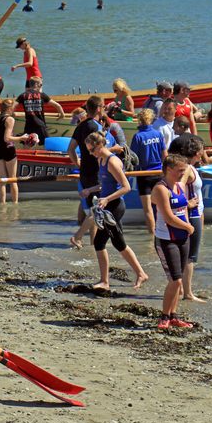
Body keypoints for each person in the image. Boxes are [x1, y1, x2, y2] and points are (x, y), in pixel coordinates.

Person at [82, 132, 149, 291]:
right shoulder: (101, 160)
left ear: (99, 145)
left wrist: (106, 199)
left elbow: (126, 187)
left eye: (92, 150)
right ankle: (140, 273)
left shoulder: (113, 161)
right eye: (89, 151)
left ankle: (106, 281)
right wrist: (90, 190)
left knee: (100, 242)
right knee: (117, 243)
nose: (91, 154)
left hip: (115, 206)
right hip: (107, 206)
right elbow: (105, 185)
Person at [152, 154, 197, 330]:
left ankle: (174, 315)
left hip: (182, 238)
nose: (182, 174)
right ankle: (164, 316)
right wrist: (188, 227)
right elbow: (169, 217)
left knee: (178, 278)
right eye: (180, 170)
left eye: (183, 170)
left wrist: (187, 229)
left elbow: (183, 208)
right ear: (169, 169)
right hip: (166, 239)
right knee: (175, 280)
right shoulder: (160, 189)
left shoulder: (178, 186)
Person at [67, 95, 108, 249]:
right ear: (98, 108)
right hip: (97, 171)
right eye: (103, 107)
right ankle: (78, 237)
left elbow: (70, 149)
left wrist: (78, 163)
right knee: (98, 209)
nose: (104, 109)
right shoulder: (96, 127)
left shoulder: (81, 125)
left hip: (85, 171)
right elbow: (102, 150)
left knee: (93, 208)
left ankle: (93, 244)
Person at [171, 135, 206, 302]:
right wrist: (187, 204)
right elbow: (178, 187)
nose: (203, 153)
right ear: (195, 152)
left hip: (194, 214)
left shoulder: (190, 167)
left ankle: (181, 290)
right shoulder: (188, 169)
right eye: (201, 150)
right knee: (190, 256)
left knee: (186, 255)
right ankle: (188, 293)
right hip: (191, 215)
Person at [0, 99, 31, 204]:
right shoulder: (10, 119)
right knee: (12, 179)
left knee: (3, 180)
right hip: (8, 149)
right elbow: (7, 138)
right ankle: (15, 204)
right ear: (9, 108)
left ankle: (2, 205)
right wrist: (21, 138)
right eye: (13, 107)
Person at [129, 109, 167, 234]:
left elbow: (133, 158)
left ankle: (152, 237)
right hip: (158, 174)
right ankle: (164, 232)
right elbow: (164, 155)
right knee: (162, 206)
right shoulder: (158, 134)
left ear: (140, 120)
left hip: (144, 175)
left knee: (148, 209)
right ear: (151, 119)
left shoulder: (138, 137)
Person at [15, 76, 64, 142]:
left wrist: (12, 114)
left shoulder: (23, 95)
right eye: (41, 84)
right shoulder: (42, 95)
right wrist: (62, 115)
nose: (41, 86)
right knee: (46, 142)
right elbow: (57, 105)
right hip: (40, 124)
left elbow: (12, 105)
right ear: (36, 84)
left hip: (29, 124)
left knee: (27, 143)